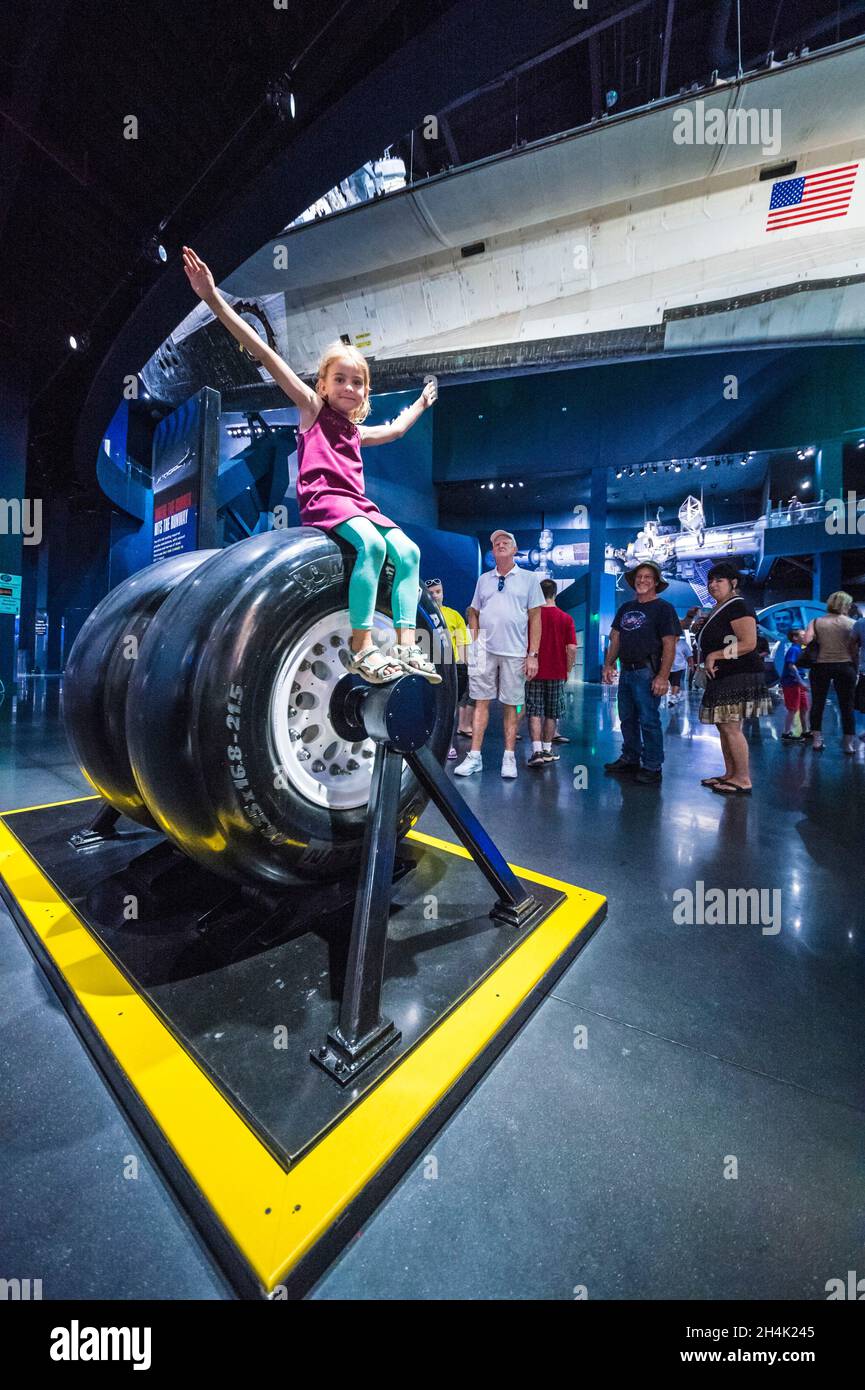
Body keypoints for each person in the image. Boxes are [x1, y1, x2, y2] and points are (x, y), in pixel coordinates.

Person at [182, 246, 439, 686]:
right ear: (322, 384)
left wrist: (420, 403)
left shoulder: (356, 433)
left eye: (357, 382)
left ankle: (406, 644)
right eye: (339, 379)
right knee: (372, 549)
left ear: (364, 393)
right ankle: (361, 646)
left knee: (410, 552)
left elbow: (394, 431)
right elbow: (263, 352)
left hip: (358, 505)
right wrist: (212, 298)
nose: (349, 387)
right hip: (326, 502)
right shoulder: (312, 409)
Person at [455, 531, 544, 780]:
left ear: (515, 550)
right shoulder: (484, 580)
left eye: (506, 542)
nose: (500, 545)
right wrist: (475, 640)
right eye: (496, 543)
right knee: (480, 701)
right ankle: (474, 756)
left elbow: (536, 618)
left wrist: (533, 654)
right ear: (493, 552)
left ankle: (509, 756)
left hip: (515, 651)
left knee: (511, 704)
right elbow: (473, 610)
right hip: (485, 650)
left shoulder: (529, 579)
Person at [602, 562, 681, 786]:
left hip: (647, 672)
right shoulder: (625, 608)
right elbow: (615, 638)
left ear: (656, 582)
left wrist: (663, 677)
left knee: (649, 720)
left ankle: (652, 765)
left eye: (648, 577)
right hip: (626, 672)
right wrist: (609, 664)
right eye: (639, 577)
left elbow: (669, 644)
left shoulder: (664, 609)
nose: (642, 580)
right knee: (626, 718)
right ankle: (630, 757)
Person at [695, 562, 771, 794]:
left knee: (731, 727)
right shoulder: (723, 607)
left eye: (719, 580)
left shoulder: (738, 606)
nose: (712, 585)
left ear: (733, 583)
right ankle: (731, 774)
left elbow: (748, 643)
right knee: (724, 727)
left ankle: (743, 778)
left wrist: (715, 655)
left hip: (738, 674)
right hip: (725, 676)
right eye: (710, 581)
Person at [525, 579, 577, 767]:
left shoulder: (531, 617)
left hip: (533, 671)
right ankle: (547, 750)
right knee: (552, 713)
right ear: (555, 594)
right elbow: (571, 648)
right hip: (557, 673)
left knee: (534, 711)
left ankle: (536, 751)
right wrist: (568, 670)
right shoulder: (566, 618)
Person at [802, 592, 860, 753]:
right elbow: (855, 649)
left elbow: (806, 640)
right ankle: (848, 743)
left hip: (821, 666)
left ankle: (817, 740)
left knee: (818, 704)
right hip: (845, 666)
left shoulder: (816, 621)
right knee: (847, 705)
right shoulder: (852, 623)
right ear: (846, 605)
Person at [424, 578, 469, 759]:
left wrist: (463, 667)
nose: (435, 596)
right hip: (429, 667)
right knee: (428, 706)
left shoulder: (454, 615)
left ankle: (447, 744)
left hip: (452, 670)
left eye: (438, 592)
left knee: (449, 709)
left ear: (443, 593)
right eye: (432, 593)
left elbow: (463, 643)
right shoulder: (422, 614)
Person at [779, 628, 811, 741]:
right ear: (795, 638)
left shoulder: (799, 649)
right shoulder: (794, 650)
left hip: (797, 683)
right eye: (803, 634)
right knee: (792, 709)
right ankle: (786, 733)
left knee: (804, 707)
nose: (805, 635)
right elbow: (791, 666)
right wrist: (800, 681)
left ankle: (805, 730)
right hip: (792, 683)